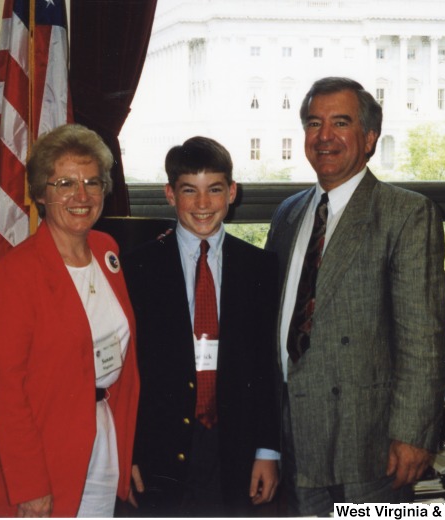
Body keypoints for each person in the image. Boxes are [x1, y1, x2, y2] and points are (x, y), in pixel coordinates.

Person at [265, 77, 445, 513]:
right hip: (291, 436)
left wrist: (413, 434)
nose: (324, 136)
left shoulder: (405, 213)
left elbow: (423, 337)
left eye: (340, 123)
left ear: (369, 139)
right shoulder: (288, 213)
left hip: (367, 445)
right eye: (314, 123)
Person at [0, 124, 140, 517]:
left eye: (92, 182)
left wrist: (124, 448)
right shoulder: (13, 276)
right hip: (38, 457)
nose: (81, 196)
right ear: (41, 194)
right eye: (65, 183)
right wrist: (29, 487)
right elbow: (3, 395)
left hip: (99, 443)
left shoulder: (106, 250)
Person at [123, 136, 280, 516]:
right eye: (189, 191)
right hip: (158, 447)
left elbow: (265, 367)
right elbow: (127, 370)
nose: (203, 204)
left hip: (235, 446)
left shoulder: (260, 267)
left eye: (214, 190)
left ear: (232, 192)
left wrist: (267, 451)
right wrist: (127, 451)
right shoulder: (136, 268)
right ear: (170, 194)